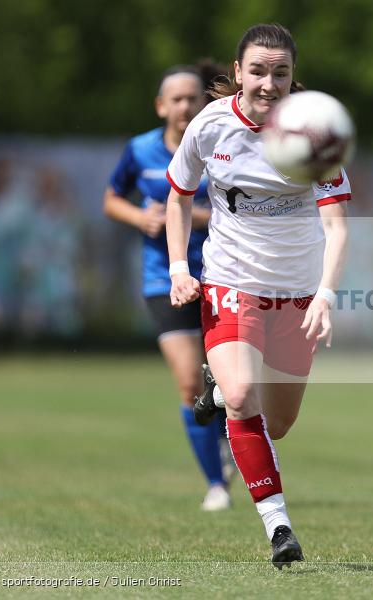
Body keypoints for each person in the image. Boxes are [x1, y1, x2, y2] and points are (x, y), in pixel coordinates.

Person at [165, 23, 350, 568]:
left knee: (278, 422)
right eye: (260, 70)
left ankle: (217, 390)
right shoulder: (211, 125)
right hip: (229, 281)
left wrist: (326, 295)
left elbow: (338, 227)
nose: (270, 83)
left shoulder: (315, 134)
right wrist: (180, 268)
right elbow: (178, 196)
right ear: (239, 71)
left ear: (294, 78)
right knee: (246, 397)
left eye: (282, 72)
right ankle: (279, 528)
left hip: (295, 293)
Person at [103, 64, 234, 512]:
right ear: (161, 106)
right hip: (166, 279)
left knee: (226, 382)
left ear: (206, 103)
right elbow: (111, 199)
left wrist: (186, 214)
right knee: (188, 382)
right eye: (175, 99)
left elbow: (239, 211)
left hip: (222, 273)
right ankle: (216, 484)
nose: (184, 106)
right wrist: (139, 217)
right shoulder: (139, 151)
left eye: (192, 97)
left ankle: (222, 432)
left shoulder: (222, 148)